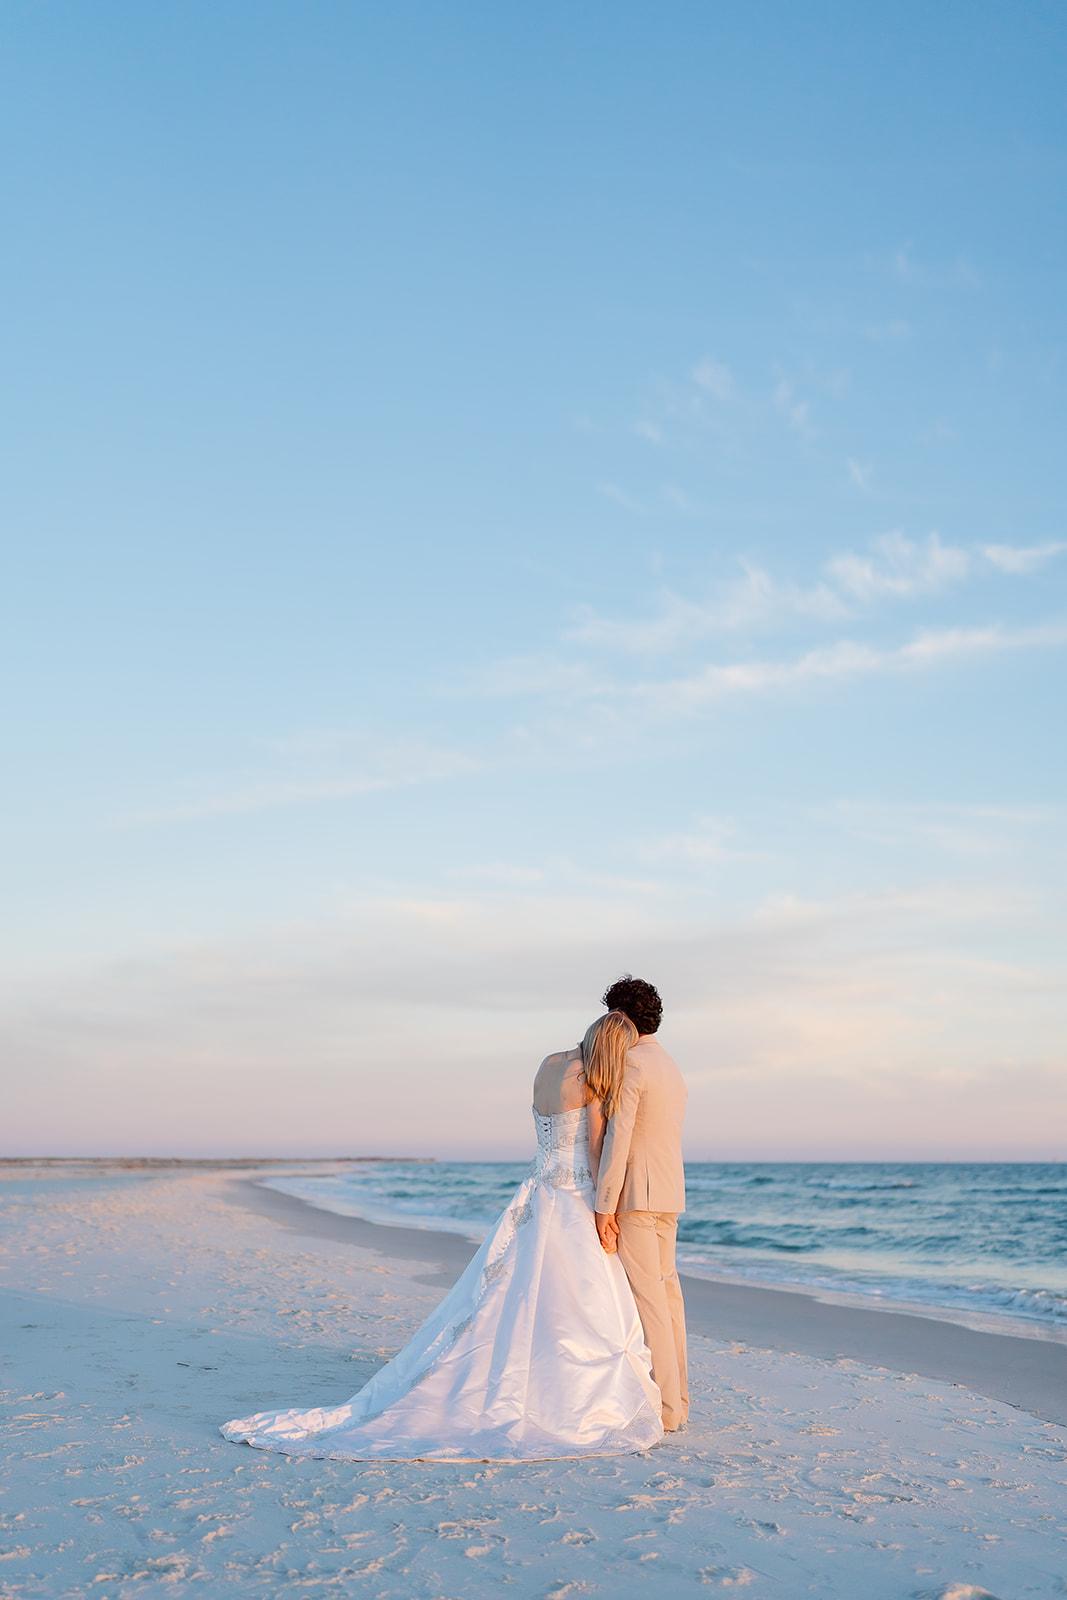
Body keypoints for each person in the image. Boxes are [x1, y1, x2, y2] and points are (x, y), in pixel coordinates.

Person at [220, 1012, 663, 1461]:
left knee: (517, 1292)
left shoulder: (549, 1065)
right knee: (572, 1300)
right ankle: (559, 1387)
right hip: (573, 1194)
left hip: (536, 1189)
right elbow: (593, 1151)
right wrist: (605, 1209)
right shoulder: (592, 1083)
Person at [594, 975, 689, 1433]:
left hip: (637, 1196)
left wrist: (603, 1204)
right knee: (670, 1301)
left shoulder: (632, 1063)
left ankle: (667, 1410)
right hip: (670, 1194)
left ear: (623, 1019)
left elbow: (620, 1137)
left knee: (651, 1303)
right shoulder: (670, 1065)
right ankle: (679, 1403)